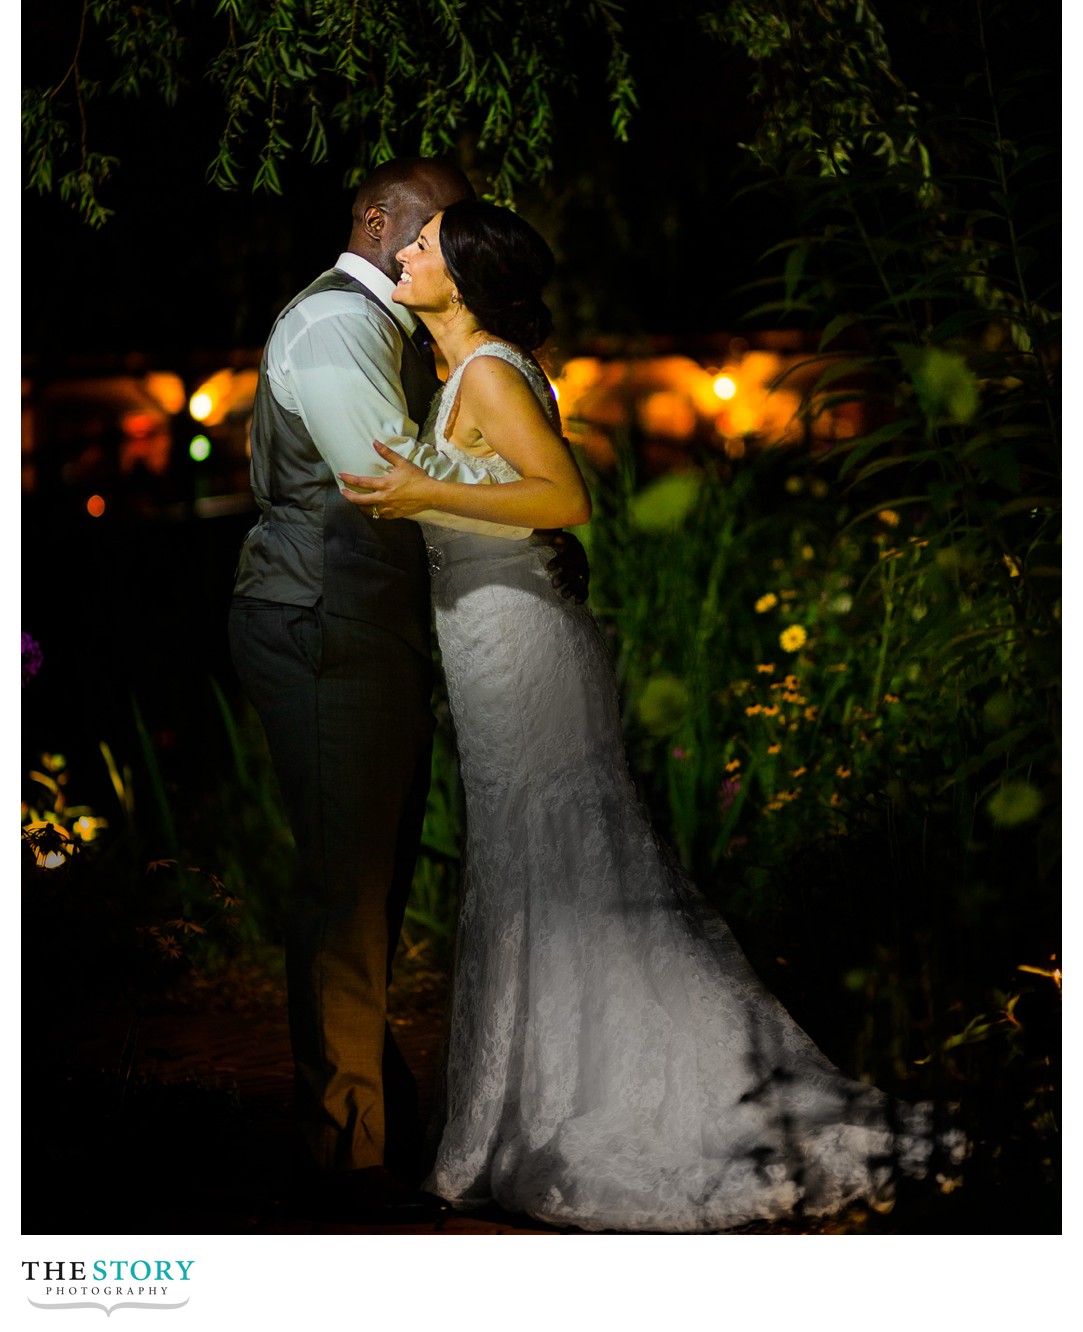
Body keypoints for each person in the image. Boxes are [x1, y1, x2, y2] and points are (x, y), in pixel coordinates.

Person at [339, 199, 966, 1233]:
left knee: (554, 861)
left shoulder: (489, 371)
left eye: (424, 242)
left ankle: (576, 1110)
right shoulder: (472, 368)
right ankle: (521, 1110)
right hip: (500, 645)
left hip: (522, 650)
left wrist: (421, 498)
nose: (402, 250)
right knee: (541, 866)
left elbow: (564, 498)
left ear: (464, 274)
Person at [228, 157, 586, 1222]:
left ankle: (376, 1119)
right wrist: (531, 513)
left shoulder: (407, 339)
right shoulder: (340, 326)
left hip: (364, 623)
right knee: (347, 883)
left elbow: (431, 483)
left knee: (364, 877)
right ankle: (347, 1159)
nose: (449, 243)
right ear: (381, 222)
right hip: (324, 617)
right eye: (437, 226)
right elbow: (387, 485)